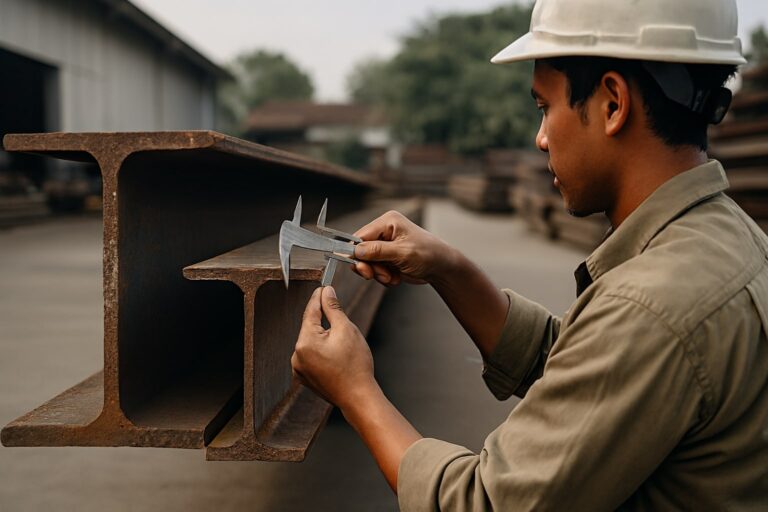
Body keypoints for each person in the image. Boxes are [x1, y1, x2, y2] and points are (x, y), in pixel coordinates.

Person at [291, 0, 768, 509]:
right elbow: (582, 370)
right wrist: (448, 268)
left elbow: (486, 502)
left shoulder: (654, 305)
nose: (540, 139)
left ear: (612, 103)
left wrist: (356, 391)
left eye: (545, 107)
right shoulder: (733, 240)